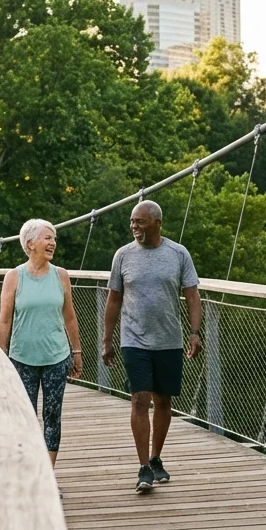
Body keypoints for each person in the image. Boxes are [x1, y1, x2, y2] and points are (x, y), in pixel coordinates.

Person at [101, 200, 202, 493]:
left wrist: (195, 333)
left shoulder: (178, 254)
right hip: (134, 339)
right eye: (132, 222)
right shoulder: (123, 256)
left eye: (140, 222)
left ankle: (157, 458)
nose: (134, 227)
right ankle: (144, 467)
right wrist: (107, 340)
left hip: (169, 339)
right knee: (139, 398)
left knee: (163, 400)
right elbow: (113, 300)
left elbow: (192, 296)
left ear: (157, 223)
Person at [0, 219, 83, 473]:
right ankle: (27, 471)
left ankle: (47, 475)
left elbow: (70, 316)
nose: (53, 243)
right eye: (47, 238)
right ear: (30, 244)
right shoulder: (14, 277)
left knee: (52, 416)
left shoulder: (61, 275)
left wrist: (76, 352)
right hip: (22, 358)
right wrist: (0, 357)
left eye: (54, 238)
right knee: (24, 417)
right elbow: (4, 319)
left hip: (56, 357)